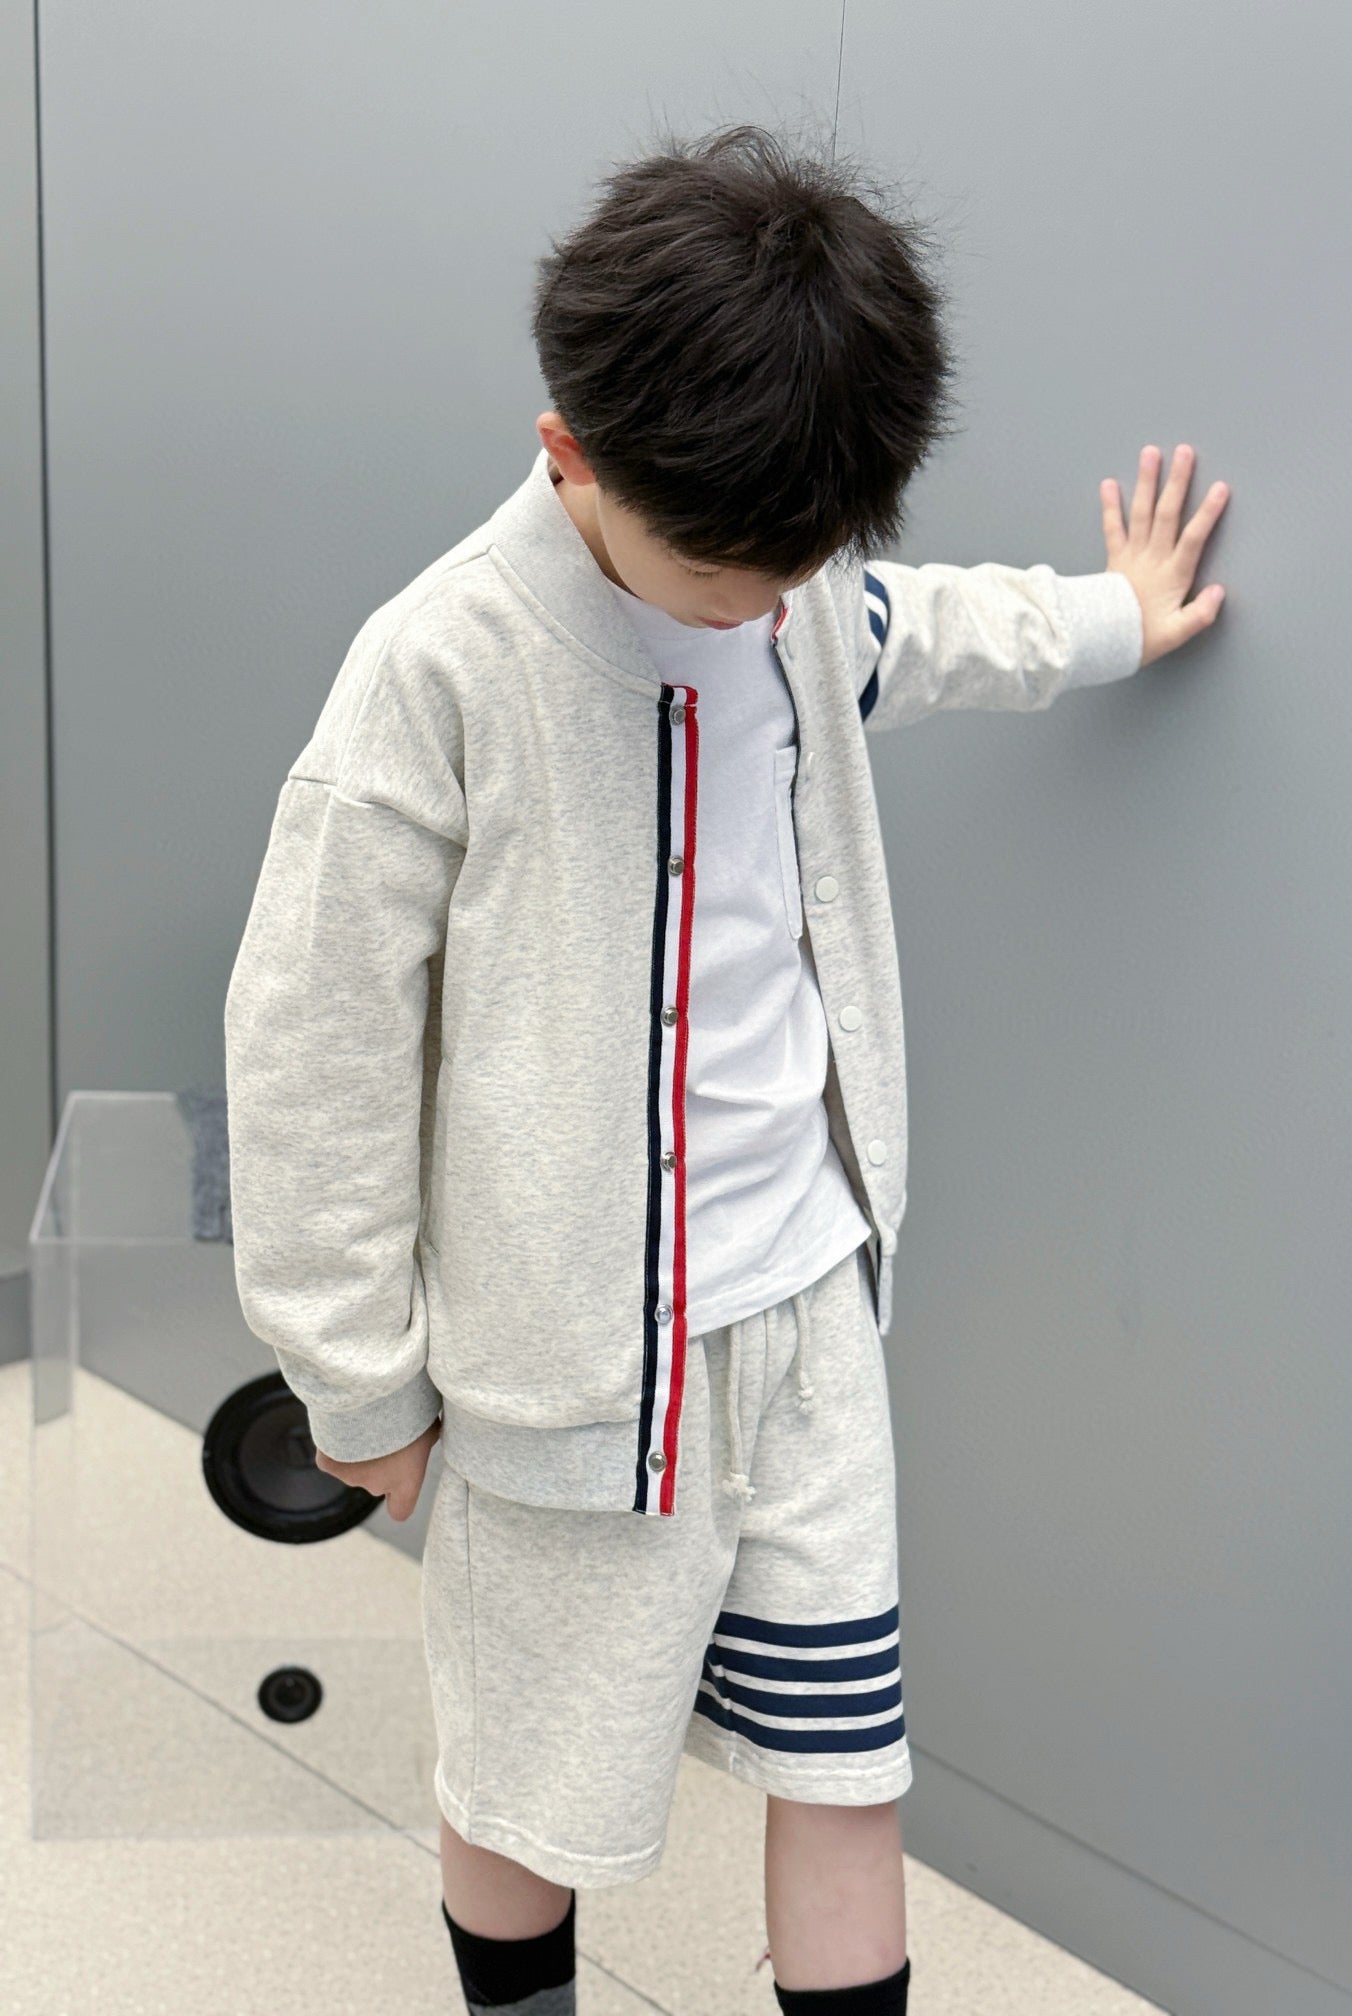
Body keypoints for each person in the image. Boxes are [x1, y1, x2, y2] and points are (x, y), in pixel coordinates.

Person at [223, 118, 1229, 2016]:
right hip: (568, 1370)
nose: (772, 612)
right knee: (529, 1788)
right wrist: (353, 1376)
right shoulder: (441, 675)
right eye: (729, 576)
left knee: (846, 1764)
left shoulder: (791, 600)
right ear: (571, 454)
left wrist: (1113, 615)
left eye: (806, 569)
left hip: (807, 1313)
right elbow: (311, 1055)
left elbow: (922, 627)